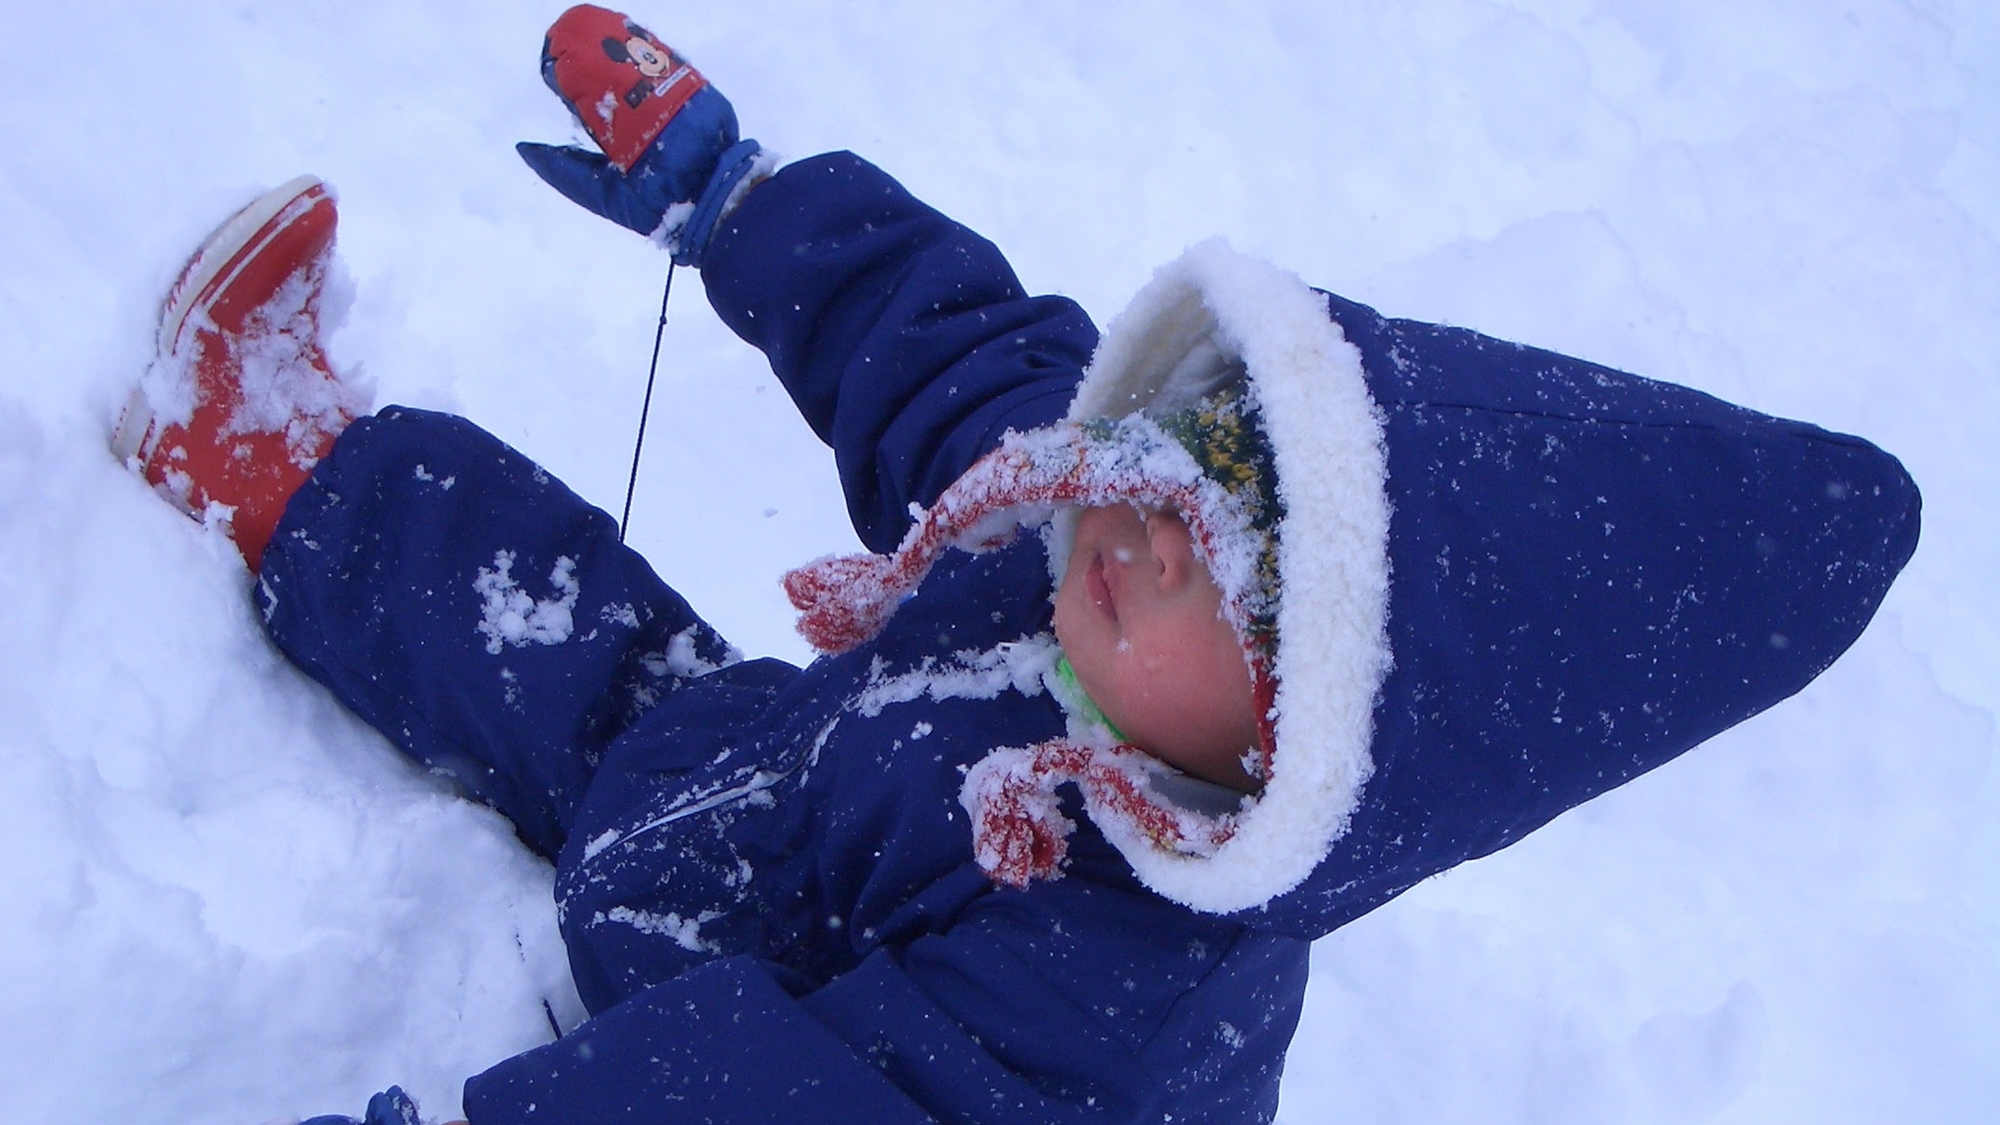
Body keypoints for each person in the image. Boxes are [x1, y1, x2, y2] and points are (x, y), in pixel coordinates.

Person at [114, 6, 1920, 1123]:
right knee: (576, 644)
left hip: (745, 988)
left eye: (1243, 573)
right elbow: (942, 342)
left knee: (650, 812)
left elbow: (787, 1104)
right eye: (1195, 450)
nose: (1143, 523)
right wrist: (738, 198)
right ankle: (277, 460)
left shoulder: (1109, 1002)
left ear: (1311, 767)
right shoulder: (1093, 527)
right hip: (772, 772)